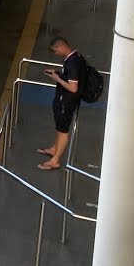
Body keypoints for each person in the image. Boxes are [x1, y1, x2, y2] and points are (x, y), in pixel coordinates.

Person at [38, 37, 86, 170]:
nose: (55, 53)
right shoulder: (76, 57)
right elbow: (71, 76)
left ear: (60, 47)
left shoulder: (72, 63)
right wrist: (58, 73)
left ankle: (55, 160)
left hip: (67, 101)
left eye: (55, 51)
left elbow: (73, 88)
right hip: (64, 100)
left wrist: (57, 78)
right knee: (60, 126)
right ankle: (55, 148)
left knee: (63, 130)